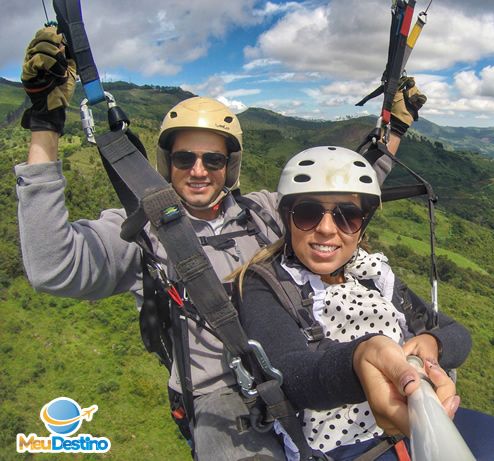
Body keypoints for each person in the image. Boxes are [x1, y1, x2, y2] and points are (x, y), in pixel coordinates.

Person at [14, 26, 426, 460]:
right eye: (183, 158)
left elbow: (342, 191)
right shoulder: (139, 233)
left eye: (212, 159)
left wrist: (395, 126)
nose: (198, 170)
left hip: (298, 363)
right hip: (220, 397)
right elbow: (52, 266)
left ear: (229, 167)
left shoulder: (265, 213)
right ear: (166, 163)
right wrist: (45, 125)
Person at [233, 146, 471, 460]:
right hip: (339, 448)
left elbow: (456, 333)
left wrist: (432, 343)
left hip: (416, 424)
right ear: (286, 217)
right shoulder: (264, 283)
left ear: (362, 224)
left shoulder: (372, 273)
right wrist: (360, 360)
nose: (327, 229)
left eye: (347, 216)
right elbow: (290, 371)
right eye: (308, 213)